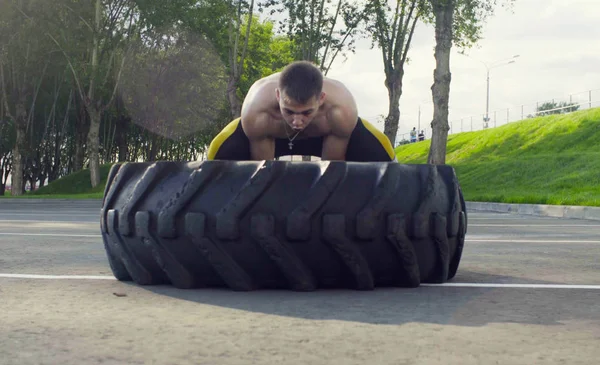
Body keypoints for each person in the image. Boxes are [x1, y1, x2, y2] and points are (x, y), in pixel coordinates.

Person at [207, 61, 396, 162]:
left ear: (321, 99)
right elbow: (262, 173)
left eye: (306, 113)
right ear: (278, 96)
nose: (297, 122)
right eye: (289, 112)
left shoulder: (340, 111)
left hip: (325, 133)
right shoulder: (258, 112)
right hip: (269, 132)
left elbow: (333, 171)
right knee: (220, 149)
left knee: (378, 149)